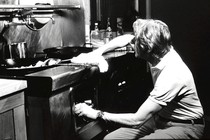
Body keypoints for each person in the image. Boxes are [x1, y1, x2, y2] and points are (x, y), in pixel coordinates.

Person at [72, 19, 205, 139]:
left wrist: (96, 114)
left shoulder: (173, 74)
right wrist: (96, 53)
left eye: (136, 42)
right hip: (159, 119)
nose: (132, 43)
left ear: (146, 48)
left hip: (185, 126)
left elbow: (137, 120)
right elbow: (124, 39)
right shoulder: (159, 50)